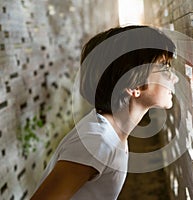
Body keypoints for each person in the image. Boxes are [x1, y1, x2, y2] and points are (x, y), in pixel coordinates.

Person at [31, 25, 179, 200]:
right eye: (164, 69)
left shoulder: (112, 133)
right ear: (133, 85)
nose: (175, 78)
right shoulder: (97, 142)